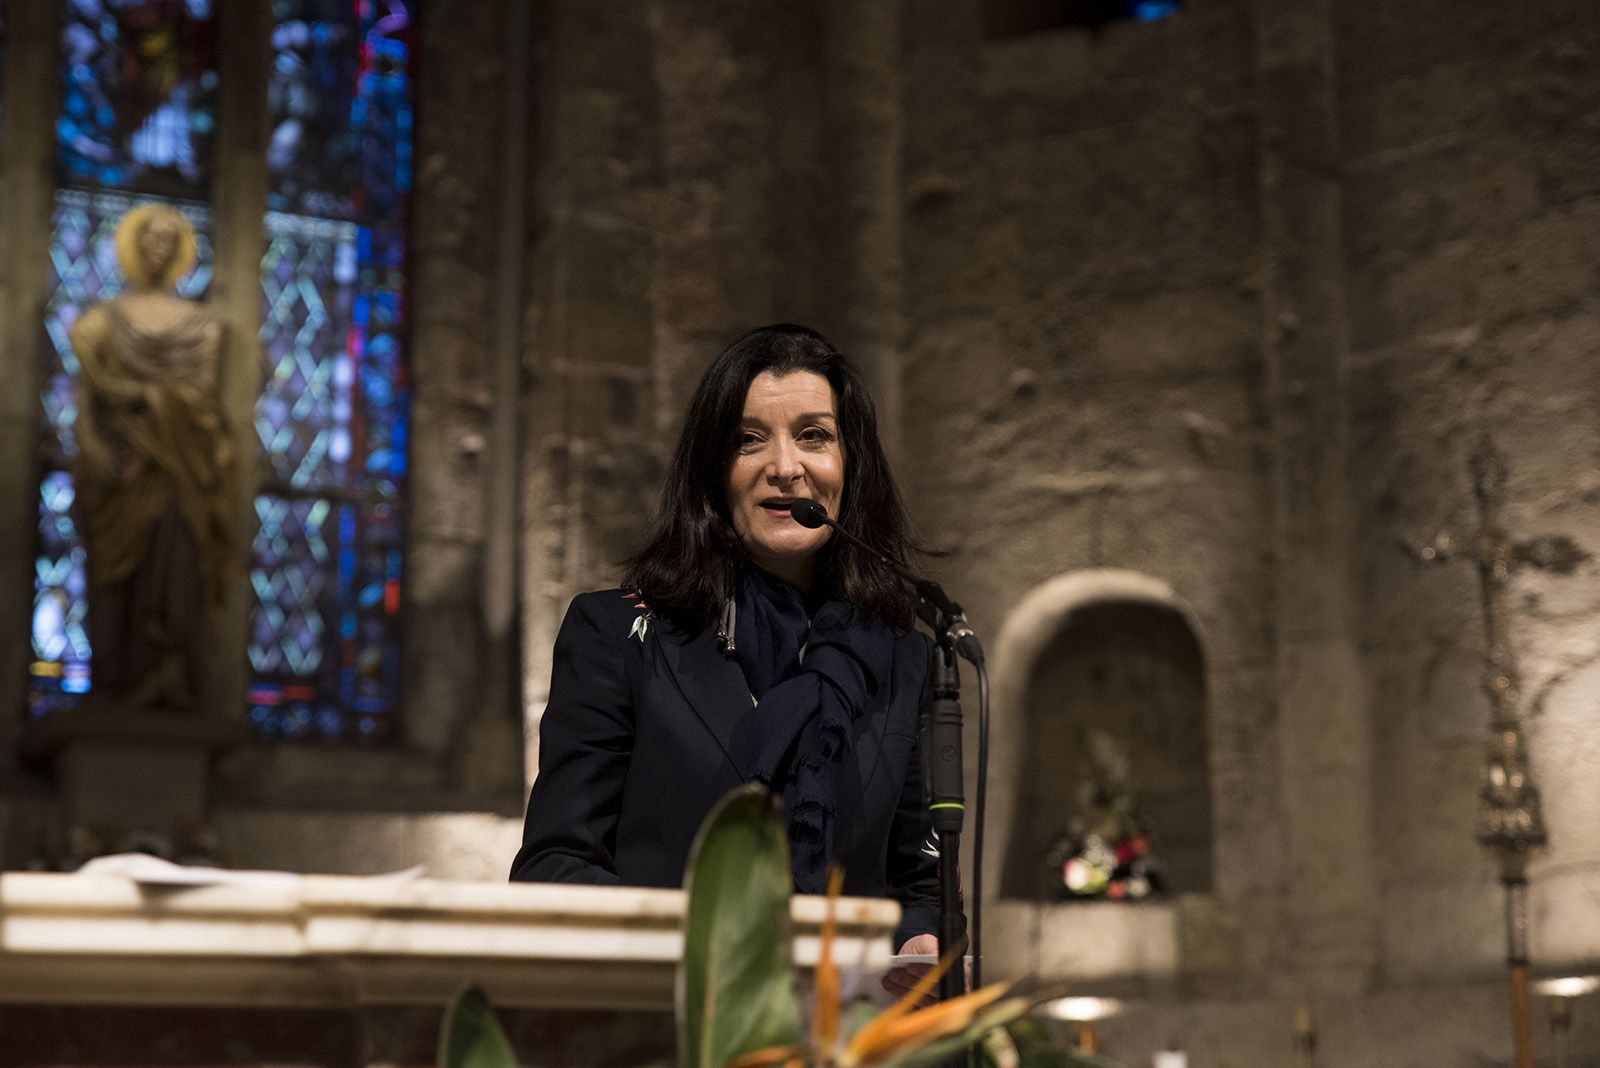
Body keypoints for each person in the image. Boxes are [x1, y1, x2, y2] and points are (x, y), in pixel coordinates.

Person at [511, 324, 941, 957]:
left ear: (852, 468)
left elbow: (920, 884)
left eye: (814, 437)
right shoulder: (618, 636)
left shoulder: (904, 658)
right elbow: (554, 867)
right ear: (714, 472)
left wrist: (918, 943)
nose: (785, 467)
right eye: (749, 440)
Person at [70, 202, 237, 713]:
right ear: (133, 246)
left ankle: (170, 681)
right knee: (115, 577)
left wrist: (146, 398)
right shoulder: (99, 325)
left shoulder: (203, 328)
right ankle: (110, 685)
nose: (158, 247)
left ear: (183, 252)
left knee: (178, 569)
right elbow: (85, 409)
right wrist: (99, 453)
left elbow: (206, 401)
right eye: (150, 237)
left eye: (170, 239)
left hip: (181, 474)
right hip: (120, 475)